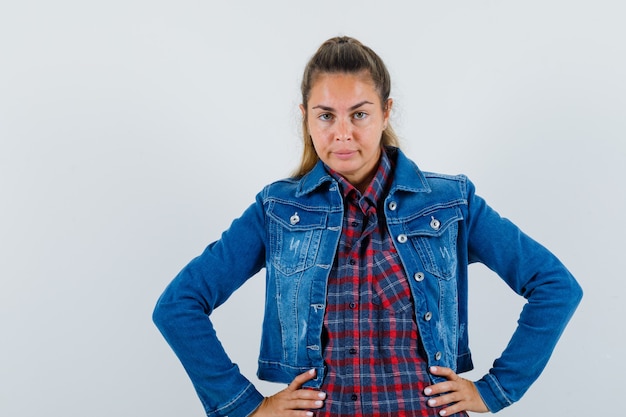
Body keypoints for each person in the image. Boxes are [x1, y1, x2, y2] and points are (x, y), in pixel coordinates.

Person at [153, 36, 582, 417]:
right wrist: (246, 406)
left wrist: (494, 391)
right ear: (305, 116)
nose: (342, 134)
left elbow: (555, 286)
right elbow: (178, 306)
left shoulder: (450, 202)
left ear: (385, 111)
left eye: (359, 114)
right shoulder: (277, 211)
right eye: (326, 116)